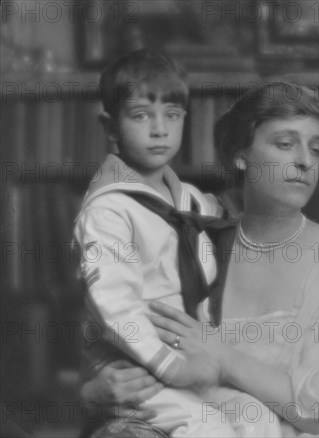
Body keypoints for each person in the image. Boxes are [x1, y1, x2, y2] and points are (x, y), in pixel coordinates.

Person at [80, 83, 319, 437]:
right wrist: (95, 391)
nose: (305, 161)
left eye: (316, 148)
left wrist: (226, 360)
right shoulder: (192, 243)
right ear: (240, 154)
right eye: (285, 144)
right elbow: (121, 329)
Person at [73, 48, 278, 437]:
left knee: (257, 418)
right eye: (140, 116)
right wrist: (174, 367)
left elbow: (233, 240)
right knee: (207, 428)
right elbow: (116, 308)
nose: (159, 129)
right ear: (110, 126)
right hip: (140, 369)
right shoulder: (108, 212)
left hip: (195, 360)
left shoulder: (191, 202)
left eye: (172, 115)